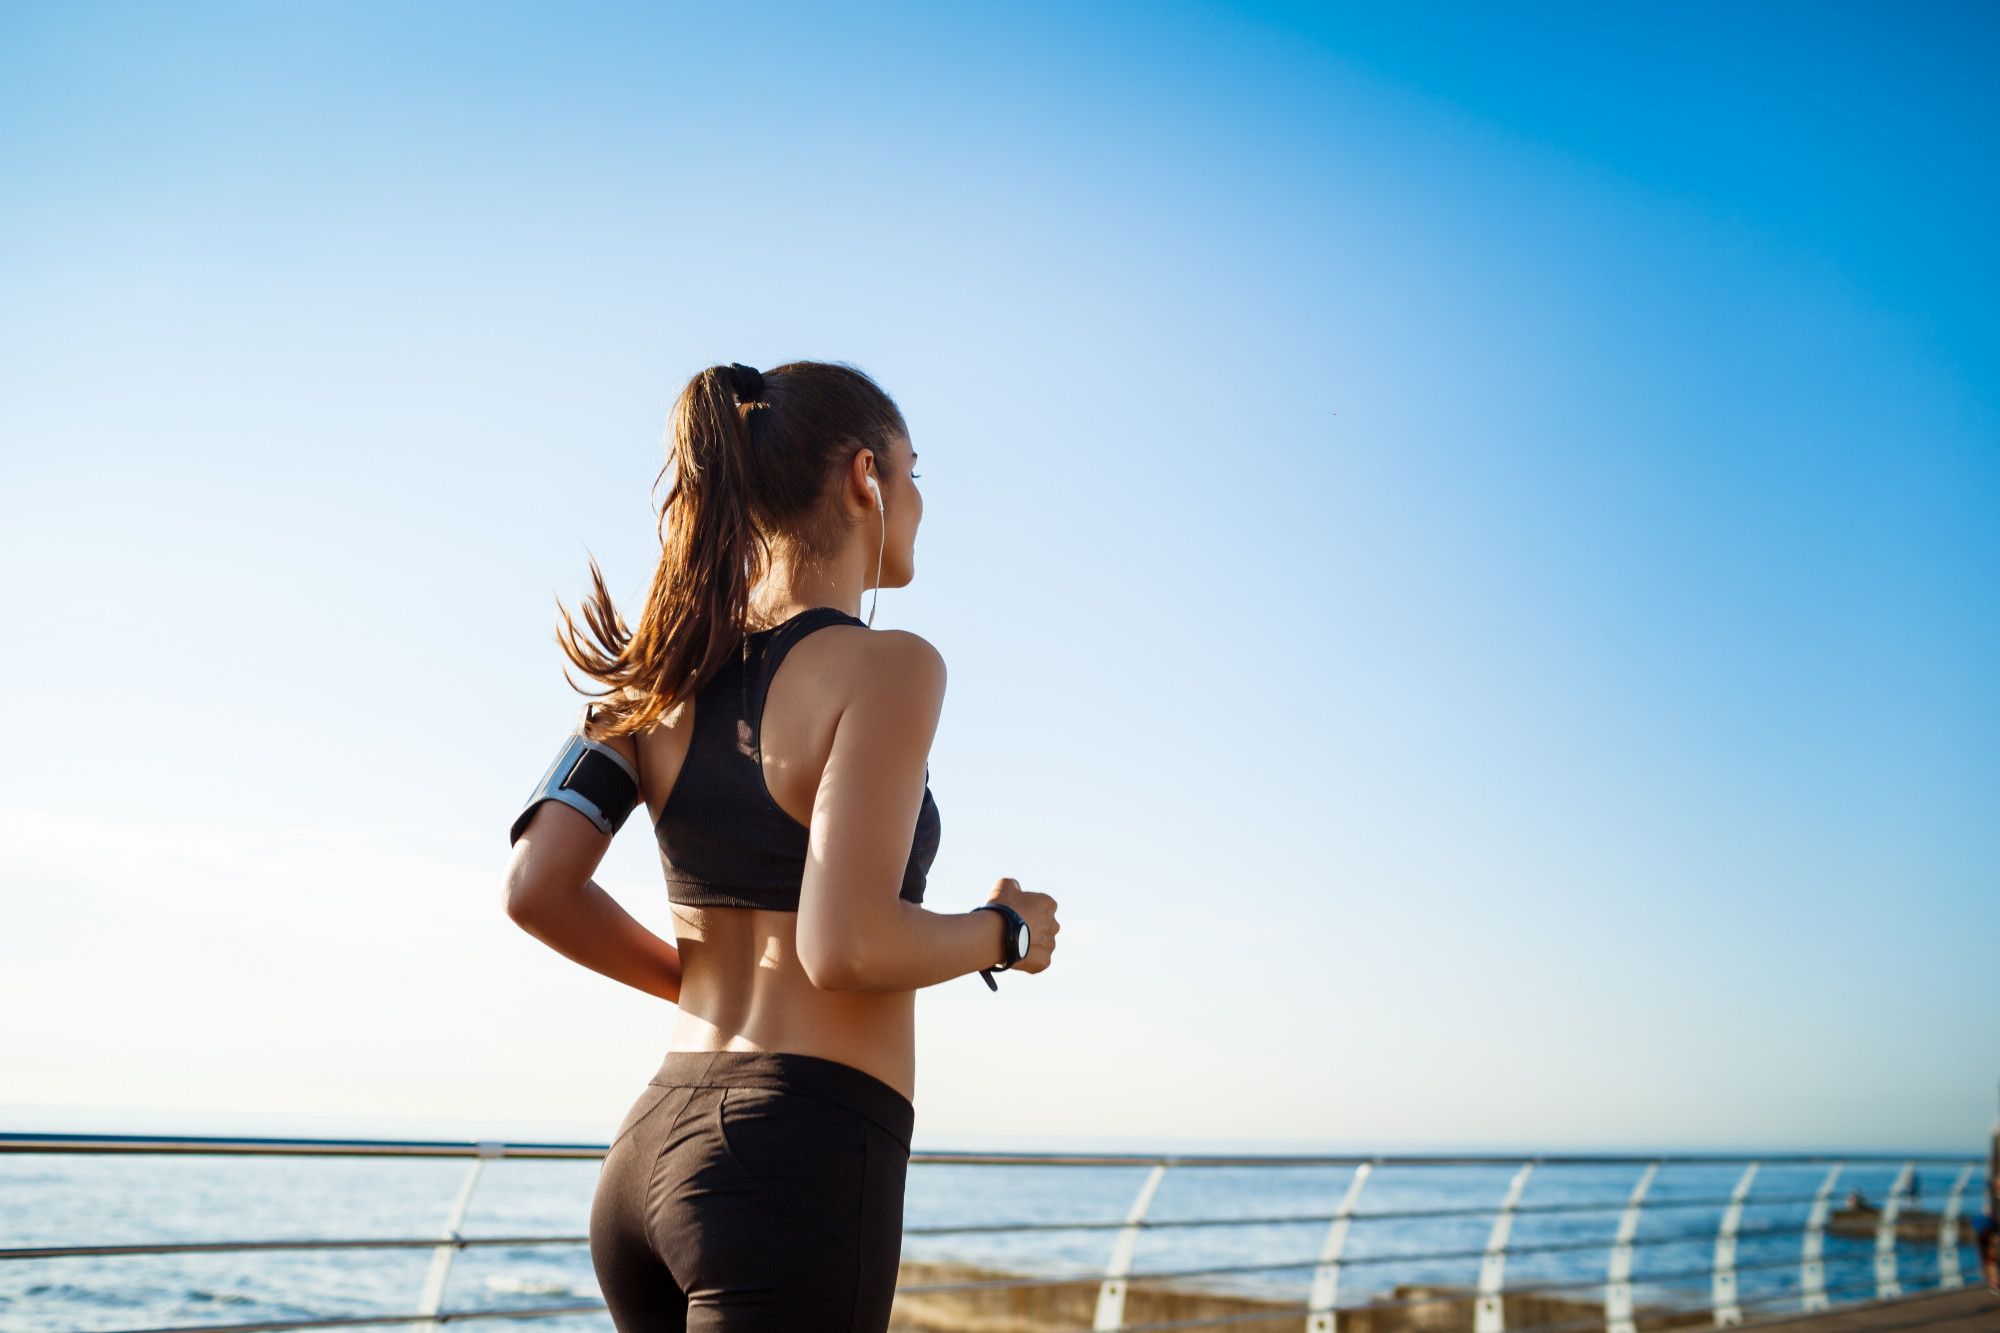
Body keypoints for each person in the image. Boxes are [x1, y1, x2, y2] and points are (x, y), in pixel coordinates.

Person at [502, 359, 1060, 1332]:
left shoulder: (655, 671)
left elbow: (537, 887)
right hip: (793, 1158)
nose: (919, 501)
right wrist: (1004, 930)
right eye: (912, 470)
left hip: (647, 1151)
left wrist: (704, 983)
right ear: (863, 478)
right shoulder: (888, 666)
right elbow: (842, 949)